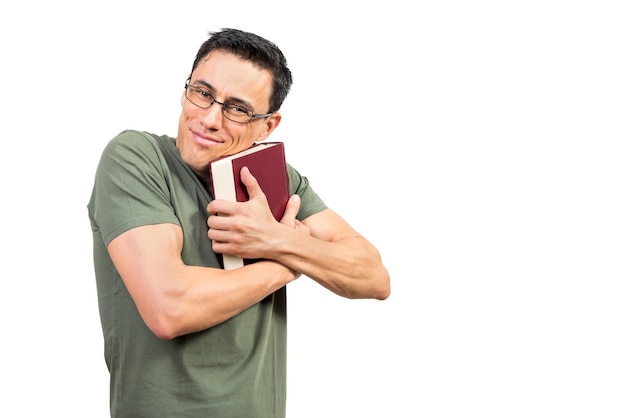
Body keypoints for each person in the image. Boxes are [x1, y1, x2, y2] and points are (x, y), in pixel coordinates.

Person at [88, 27, 390, 418]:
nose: (210, 118)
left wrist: (278, 240)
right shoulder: (137, 158)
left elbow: (374, 277)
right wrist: (284, 259)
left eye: (238, 109)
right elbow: (170, 309)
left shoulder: (278, 182)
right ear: (186, 90)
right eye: (202, 92)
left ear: (267, 126)